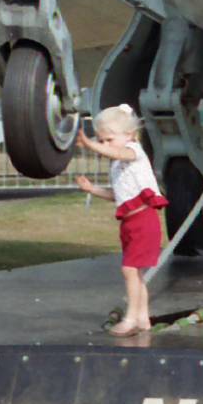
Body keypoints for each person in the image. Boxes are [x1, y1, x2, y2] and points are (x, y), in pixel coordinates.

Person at [76, 104, 168, 336]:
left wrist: (89, 143)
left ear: (129, 134)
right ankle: (143, 318)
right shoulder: (118, 165)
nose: (105, 145)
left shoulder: (133, 151)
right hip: (129, 223)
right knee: (136, 274)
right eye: (102, 140)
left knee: (129, 270)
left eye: (108, 139)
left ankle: (130, 319)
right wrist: (92, 189)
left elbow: (117, 152)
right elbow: (118, 197)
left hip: (144, 222)